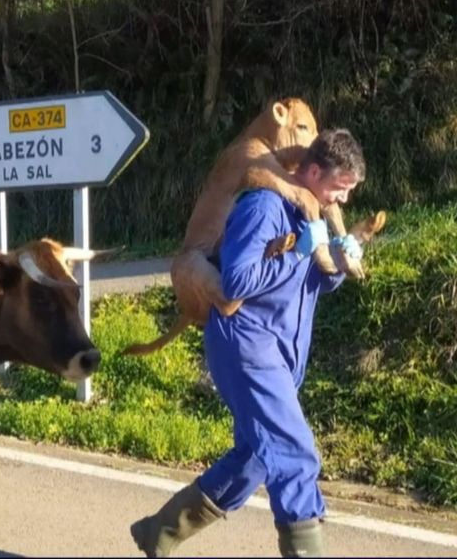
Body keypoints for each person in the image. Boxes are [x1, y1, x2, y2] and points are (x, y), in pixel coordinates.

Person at [129, 128, 367, 558]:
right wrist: (297, 253)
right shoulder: (263, 207)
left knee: (254, 459)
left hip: (281, 352)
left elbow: (307, 283)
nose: (343, 201)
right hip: (246, 346)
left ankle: (159, 532)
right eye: (340, 188)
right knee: (295, 455)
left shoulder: (309, 216)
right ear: (313, 171)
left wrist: (336, 263)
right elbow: (236, 281)